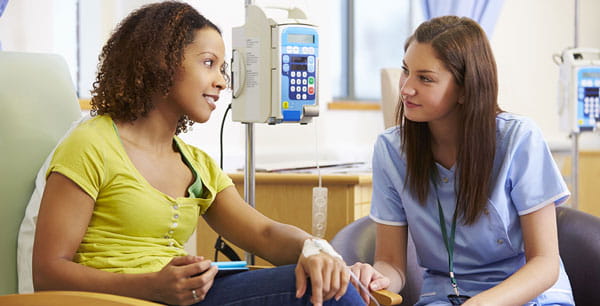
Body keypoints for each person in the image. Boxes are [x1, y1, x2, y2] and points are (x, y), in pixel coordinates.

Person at [32, 2, 366, 306]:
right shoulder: (91, 144)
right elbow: (47, 273)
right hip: (121, 300)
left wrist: (317, 250)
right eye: (209, 64)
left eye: (223, 68)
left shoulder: (196, 164)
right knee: (333, 296)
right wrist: (152, 287)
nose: (222, 81)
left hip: (185, 295)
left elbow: (264, 234)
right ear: (160, 62)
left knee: (333, 284)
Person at [349, 16, 575, 305]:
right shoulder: (391, 151)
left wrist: (480, 303)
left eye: (425, 78)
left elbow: (545, 264)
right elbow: (392, 263)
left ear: (466, 89)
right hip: (445, 297)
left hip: (528, 295)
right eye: (406, 71)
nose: (405, 88)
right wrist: (375, 276)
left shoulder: (519, 139)